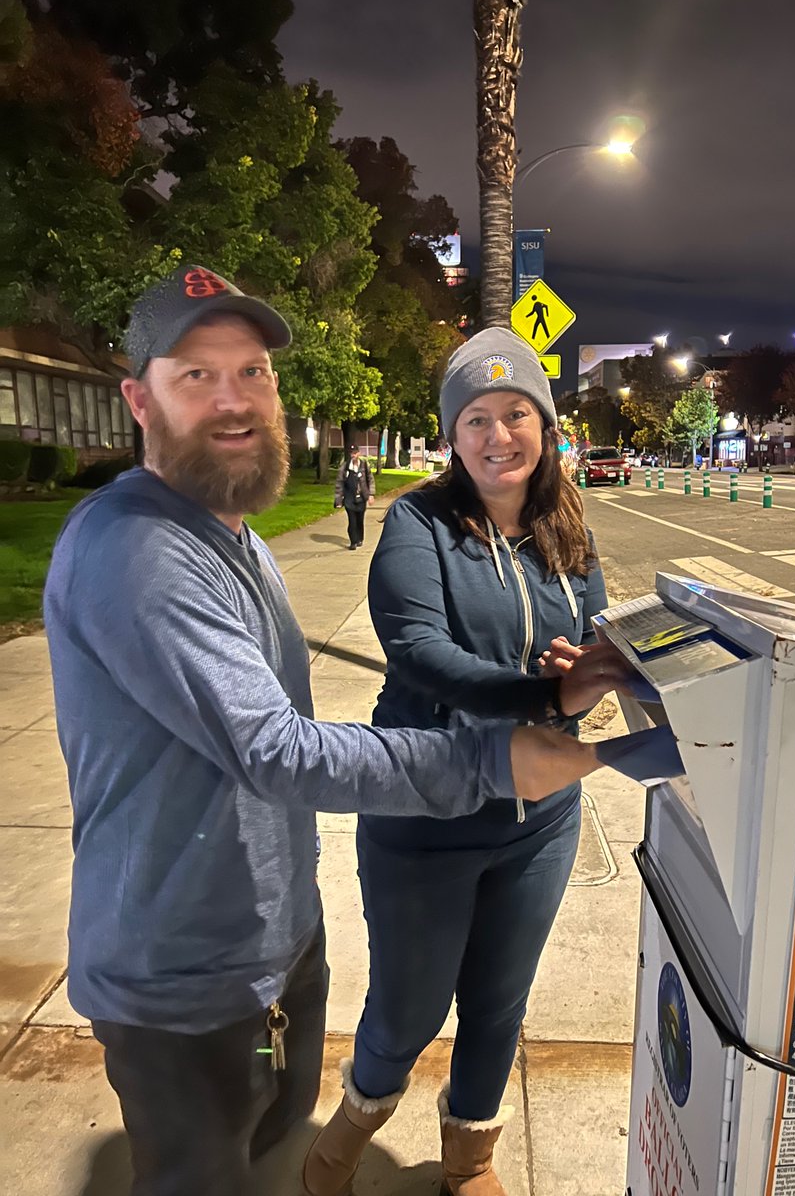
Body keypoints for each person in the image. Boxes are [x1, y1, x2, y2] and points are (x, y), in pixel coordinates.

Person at [42, 268, 616, 1196]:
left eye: (254, 372)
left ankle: (455, 1154)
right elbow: (281, 748)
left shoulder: (237, 539)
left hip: (269, 948)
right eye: (197, 375)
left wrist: (581, 686)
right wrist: (502, 748)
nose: (235, 400)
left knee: (269, 1153)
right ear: (137, 398)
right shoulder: (136, 549)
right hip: (184, 975)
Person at [302, 327, 626, 1196]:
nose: (497, 435)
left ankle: (469, 1158)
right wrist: (541, 698)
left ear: (545, 425)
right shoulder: (418, 522)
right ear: (452, 437)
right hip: (427, 814)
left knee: (498, 1002)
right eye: (475, 419)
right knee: (407, 1012)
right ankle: (355, 1123)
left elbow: (587, 655)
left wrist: (582, 679)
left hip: (539, 820)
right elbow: (417, 650)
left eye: (515, 413)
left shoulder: (567, 526)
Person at [334, 443, 375, 549]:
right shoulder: (345, 467)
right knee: (352, 521)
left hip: (361, 497)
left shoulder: (364, 465)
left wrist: (371, 494)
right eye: (352, 453)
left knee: (359, 520)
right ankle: (353, 542)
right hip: (349, 498)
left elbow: (370, 480)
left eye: (355, 453)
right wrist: (338, 500)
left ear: (359, 453)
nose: (353, 455)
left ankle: (360, 538)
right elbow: (339, 483)